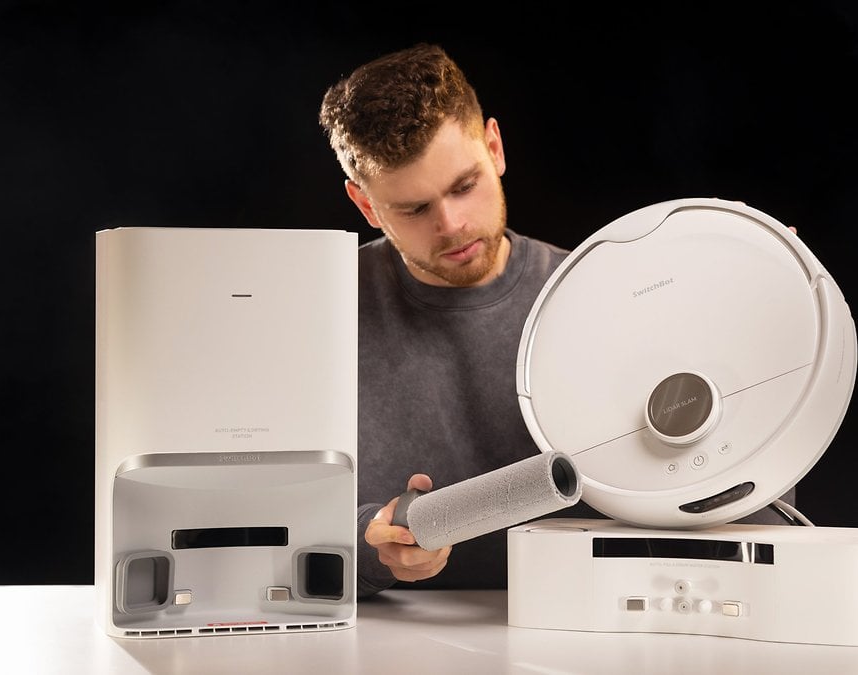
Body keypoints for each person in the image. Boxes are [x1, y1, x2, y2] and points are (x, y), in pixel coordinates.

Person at [317, 43, 794, 598]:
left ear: (494, 148)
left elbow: (750, 500)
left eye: (464, 186)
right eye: (415, 209)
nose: (451, 225)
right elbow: (255, 512)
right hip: (386, 642)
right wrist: (365, 545)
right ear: (367, 206)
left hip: (599, 624)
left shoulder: (609, 297)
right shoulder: (316, 312)